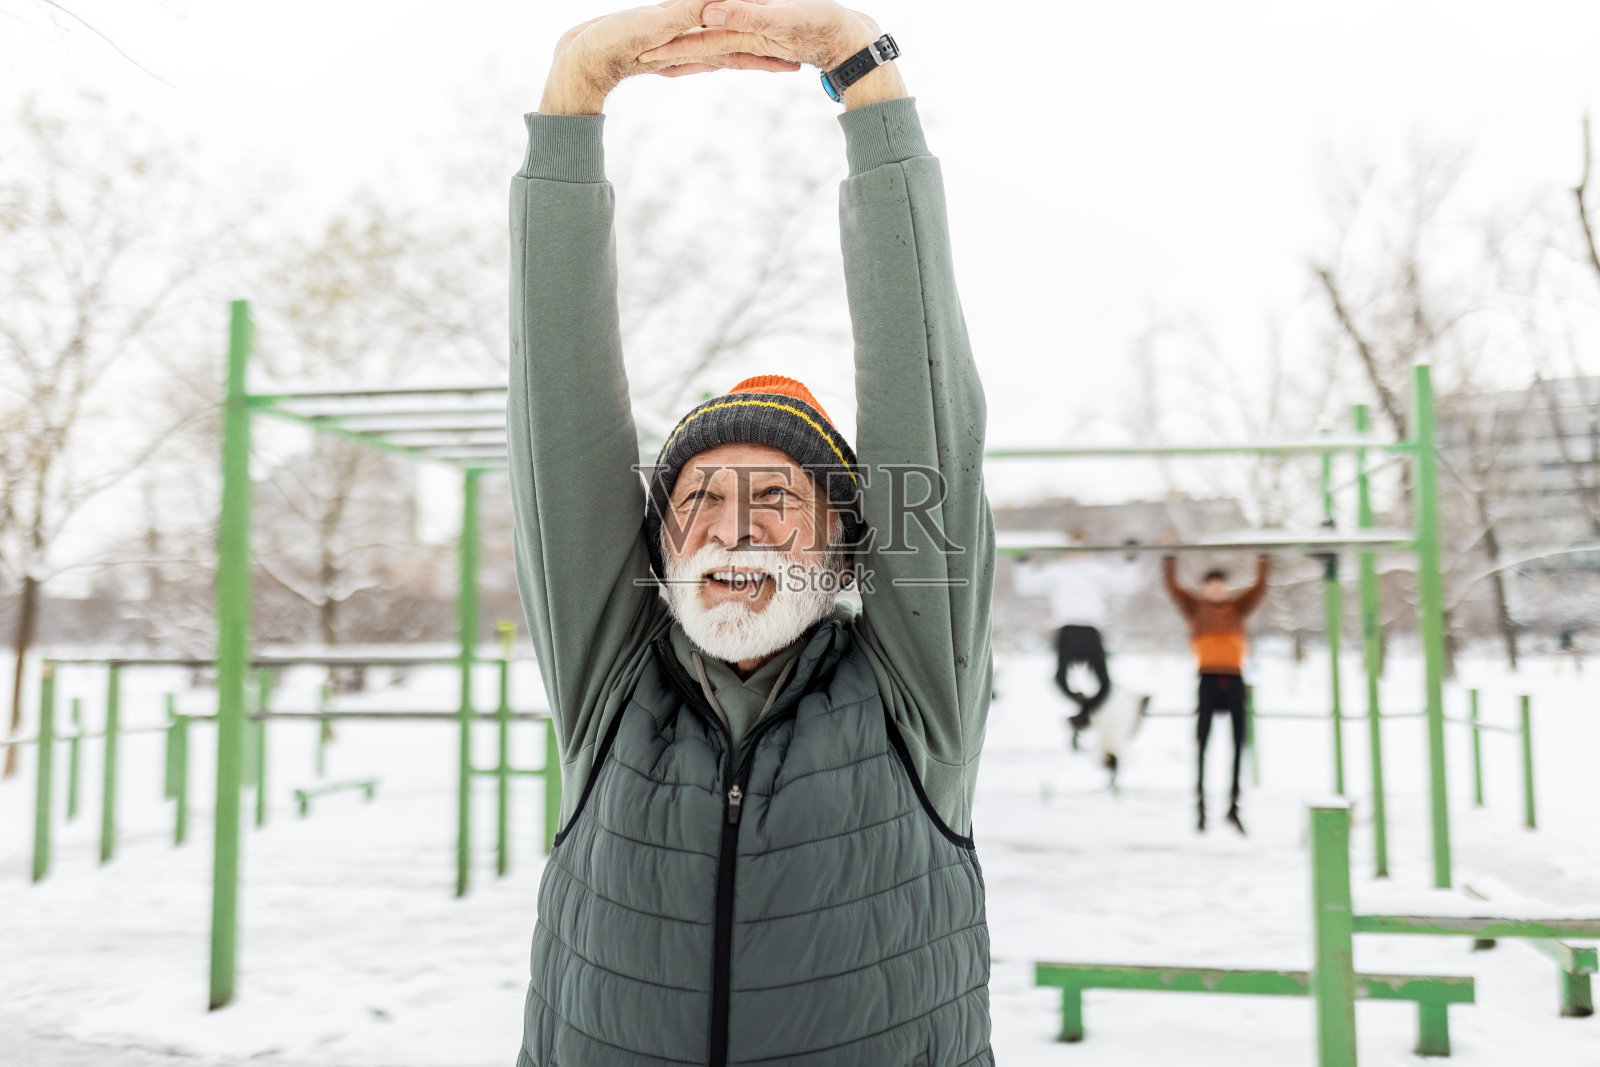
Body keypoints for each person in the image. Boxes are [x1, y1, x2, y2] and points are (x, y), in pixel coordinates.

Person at [507, 3, 994, 1064]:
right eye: (697, 499)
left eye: (777, 499)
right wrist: (573, 92)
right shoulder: (611, 687)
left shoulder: (916, 693)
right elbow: (559, 415)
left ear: (844, 546)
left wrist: (863, 76)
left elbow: (922, 390)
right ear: (660, 549)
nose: (734, 527)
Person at [1162, 555, 1270, 833]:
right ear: (1204, 589)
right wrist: (1170, 556)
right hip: (1207, 679)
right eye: (1212, 586)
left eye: (1221, 586)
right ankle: (1201, 807)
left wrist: (1264, 557)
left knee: (1238, 744)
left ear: (1227, 588)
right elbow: (1172, 586)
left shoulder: (1238, 608)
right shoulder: (1195, 608)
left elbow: (1260, 586)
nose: (1217, 590)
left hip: (1234, 678)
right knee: (1203, 744)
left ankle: (1233, 806)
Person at [1012, 535, 1141, 743]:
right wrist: (1023, 562)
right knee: (1060, 679)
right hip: (1067, 629)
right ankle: (1084, 709)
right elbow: (1027, 586)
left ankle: (1084, 711)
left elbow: (1127, 584)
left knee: (1104, 683)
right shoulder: (1057, 570)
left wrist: (1131, 559)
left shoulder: (1097, 569)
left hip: (1091, 629)